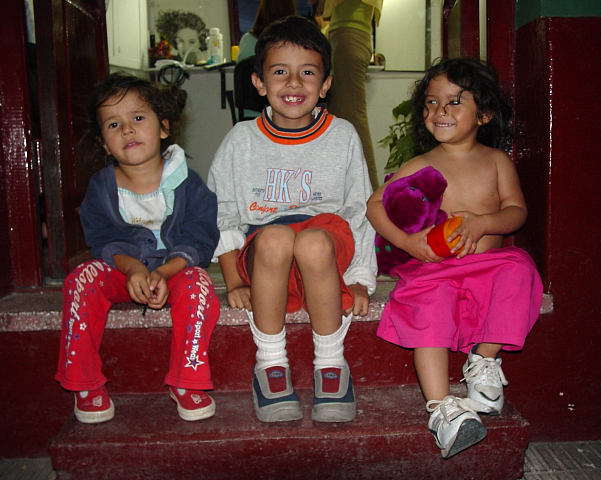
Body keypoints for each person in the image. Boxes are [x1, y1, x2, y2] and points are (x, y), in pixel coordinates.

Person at [366, 58, 543, 458]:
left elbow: (517, 212)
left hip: (487, 267)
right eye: (431, 103)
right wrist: (409, 244)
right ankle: (441, 407)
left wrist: (483, 223)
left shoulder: (497, 162)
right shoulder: (421, 164)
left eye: (453, 102)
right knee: (428, 303)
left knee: (521, 269)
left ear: (484, 113)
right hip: (436, 269)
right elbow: (374, 205)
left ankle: (483, 359)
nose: (438, 112)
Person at [207, 16, 377, 423]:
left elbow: (359, 209)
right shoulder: (241, 141)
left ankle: (331, 364)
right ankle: (270, 365)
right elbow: (224, 212)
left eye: (308, 73)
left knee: (313, 239)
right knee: (276, 237)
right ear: (260, 82)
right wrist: (233, 280)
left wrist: (359, 277)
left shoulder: (343, 136)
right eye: (280, 72)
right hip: (267, 257)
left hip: (325, 255)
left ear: (327, 83)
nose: (294, 83)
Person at [55, 72, 221, 424]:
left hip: (174, 270)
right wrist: (130, 266)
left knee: (200, 286)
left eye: (138, 118)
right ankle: (84, 382)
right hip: (122, 269)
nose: (127, 130)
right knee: (81, 279)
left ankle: (187, 380)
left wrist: (166, 269)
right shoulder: (100, 188)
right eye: (114, 124)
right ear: (103, 143)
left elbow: (201, 235)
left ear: (163, 128)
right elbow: (99, 236)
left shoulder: (188, 184)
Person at [322, 0, 383, 190]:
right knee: (342, 121)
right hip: (345, 35)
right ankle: (359, 193)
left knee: (351, 121)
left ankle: (369, 195)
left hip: (348, 35)